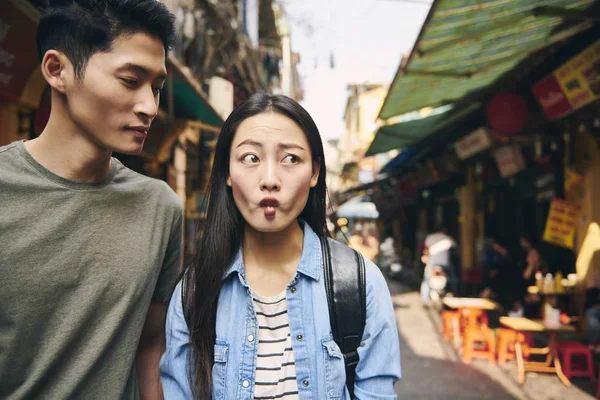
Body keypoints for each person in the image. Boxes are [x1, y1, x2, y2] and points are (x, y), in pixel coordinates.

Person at [159, 92, 401, 399]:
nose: (270, 179)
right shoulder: (193, 291)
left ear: (314, 172)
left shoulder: (359, 284)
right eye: (251, 158)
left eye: (291, 158)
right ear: (227, 173)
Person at [0, 2, 181, 399]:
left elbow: (152, 343)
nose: (149, 107)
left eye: (156, 88)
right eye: (131, 80)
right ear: (57, 70)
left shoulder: (161, 208)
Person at [420, 225, 457, 305]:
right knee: (453, 279)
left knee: (426, 281)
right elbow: (455, 248)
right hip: (444, 264)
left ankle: (424, 300)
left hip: (432, 263)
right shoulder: (448, 238)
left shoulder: (430, 237)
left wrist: (426, 256)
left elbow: (425, 250)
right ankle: (455, 294)